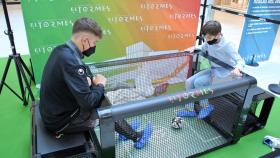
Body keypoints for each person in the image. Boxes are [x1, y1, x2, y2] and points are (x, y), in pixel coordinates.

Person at [39, 17, 152, 149]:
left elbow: (69, 78)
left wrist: (85, 81)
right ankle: (137, 138)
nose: (94, 46)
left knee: (103, 101)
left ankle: (124, 131)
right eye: (94, 42)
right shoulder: (72, 63)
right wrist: (100, 84)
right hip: (61, 121)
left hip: (54, 110)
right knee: (106, 112)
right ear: (85, 40)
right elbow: (89, 103)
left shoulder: (61, 50)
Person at [176, 20, 245, 119]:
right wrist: (193, 47)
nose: (206, 39)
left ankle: (207, 107)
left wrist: (237, 69)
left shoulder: (228, 45)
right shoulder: (208, 42)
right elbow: (203, 47)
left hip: (226, 74)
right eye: (205, 36)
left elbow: (240, 61)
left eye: (208, 37)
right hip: (214, 70)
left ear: (218, 35)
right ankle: (190, 110)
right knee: (189, 82)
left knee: (199, 82)